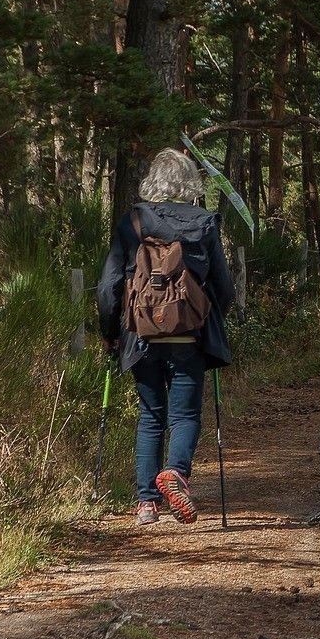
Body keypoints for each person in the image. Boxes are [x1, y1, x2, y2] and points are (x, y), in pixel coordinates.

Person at [96, 149, 234, 526]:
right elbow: (224, 288)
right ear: (189, 182)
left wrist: (110, 335)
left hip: (141, 337)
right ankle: (175, 472)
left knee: (151, 416)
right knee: (186, 415)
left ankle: (146, 503)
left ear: (152, 180)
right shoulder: (205, 223)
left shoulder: (133, 222)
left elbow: (108, 287)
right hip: (189, 336)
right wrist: (208, 320)